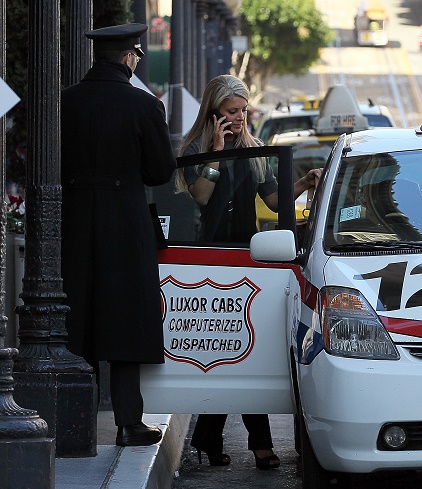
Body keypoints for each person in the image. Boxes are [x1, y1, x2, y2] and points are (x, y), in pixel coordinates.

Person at [175, 74, 321, 469]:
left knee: (244, 347)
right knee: (230, 348)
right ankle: (257, 444)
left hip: (249, 254)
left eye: (243, 110)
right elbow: (201, 198)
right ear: (213, 112)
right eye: (231, 111)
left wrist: (303, 182)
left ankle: (210, 437)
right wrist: (216, 154)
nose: (239, 118)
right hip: (208, 255)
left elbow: (273, 201)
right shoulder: (195, 149)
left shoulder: (254, 149)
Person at [61, 23, 177, 447]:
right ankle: (129, 423)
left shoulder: (65, 101)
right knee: (127, 319)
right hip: (126, 224)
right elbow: (159, 171)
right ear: (130, 57)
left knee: (79, 317)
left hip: (74, 221)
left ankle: (77, 423)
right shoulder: (144, 105)